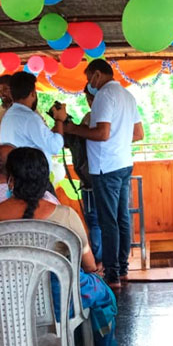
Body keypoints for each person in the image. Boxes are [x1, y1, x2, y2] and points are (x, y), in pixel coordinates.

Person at [0, 147, 119, 346]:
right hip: (61, 302)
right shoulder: (64, 215)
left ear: (11, 179)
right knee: (103, 295)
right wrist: (95, 271)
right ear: (44, 178)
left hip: (8, 306)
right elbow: (87, 261)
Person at [63, 59, 144, 289]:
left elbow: (102, 133)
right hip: (124, 164)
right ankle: (122, 269)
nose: (89, 84)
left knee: (109, 221)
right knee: (122, 218)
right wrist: (118, 140)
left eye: (89, 78)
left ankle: (112, 274)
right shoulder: (127, 96)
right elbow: (138, 133)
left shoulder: (103, 96)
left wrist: (71, 129)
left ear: (98, 75)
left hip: (105, 167)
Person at [62, 86, 102, 263]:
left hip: (91, 176)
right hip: (101, 174)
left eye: (90, 98)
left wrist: (70, 128)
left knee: (94, 220)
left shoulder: (92, 118)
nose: (89, 102)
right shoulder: (92, 117)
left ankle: (99, 259)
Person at [0, 71, 66, 171]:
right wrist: (59, 120)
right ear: (32, 93)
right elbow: (54, 146)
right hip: (32, 178)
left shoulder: (8, 116)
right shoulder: (30, 118)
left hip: (16, 175)